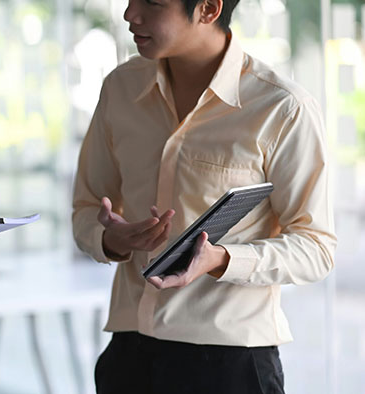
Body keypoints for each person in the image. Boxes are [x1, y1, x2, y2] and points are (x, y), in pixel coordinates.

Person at [71, 0, 337, 391]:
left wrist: (222, 259)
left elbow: (317, 248)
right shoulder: (120, 88)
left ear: (208, 9)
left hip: (231, 364)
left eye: (152, 3)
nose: (130, 14)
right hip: (128, 356)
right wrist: (111, 239)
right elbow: (86, 206)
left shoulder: (281, 108)